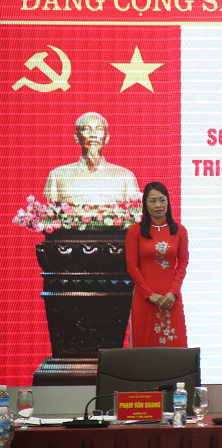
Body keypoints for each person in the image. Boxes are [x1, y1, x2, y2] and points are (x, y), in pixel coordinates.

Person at [125, 182, 188, 347]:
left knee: (174, 348)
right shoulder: (135, 231)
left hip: (171, 299)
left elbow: (182, 264)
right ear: (145, 204)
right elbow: (132, 266)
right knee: (145, 346)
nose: (158, 205)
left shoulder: (180, 231)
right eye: (153, 201)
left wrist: (173, 292)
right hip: (144, 298)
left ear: (168, 202)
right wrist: (149, 294)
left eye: (162, 200)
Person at [44, 112, 140, 205]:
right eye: (87, 129)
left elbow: (135, 212)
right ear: (77, 136)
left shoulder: (125, 177)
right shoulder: (58, 176)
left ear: (107, 137)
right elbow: (48, 213)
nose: (93, 135)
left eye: (99, 129)